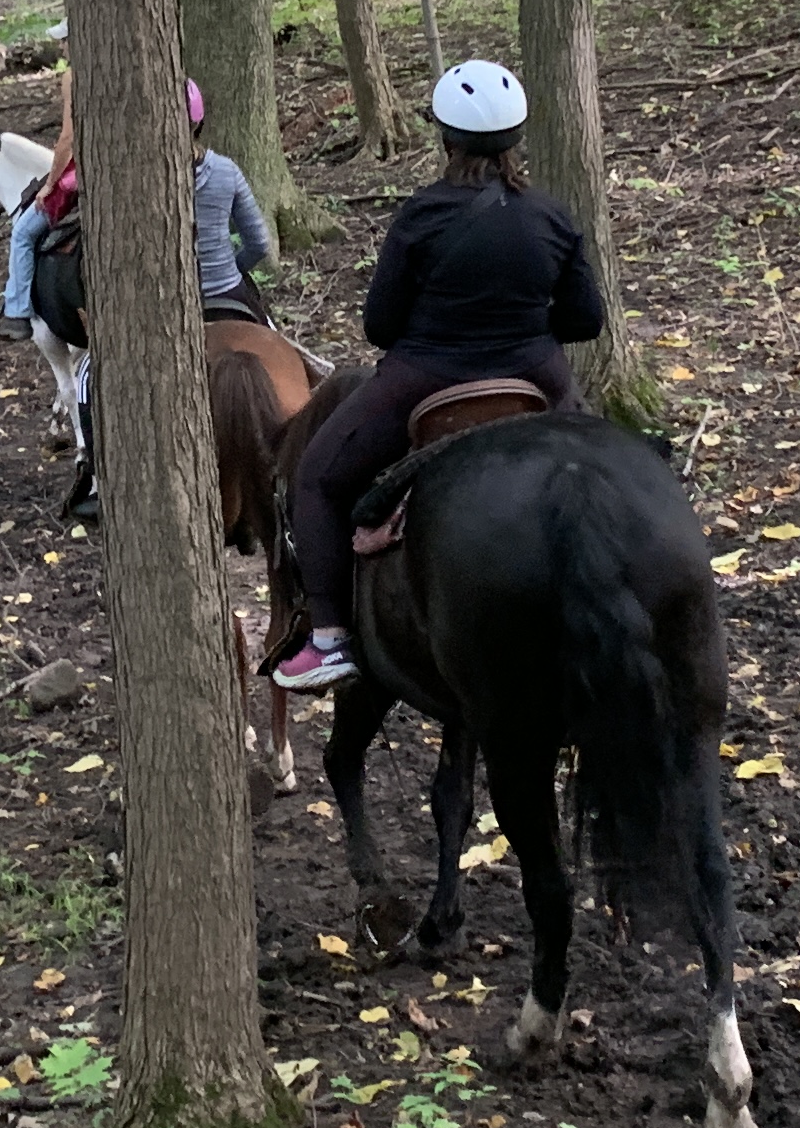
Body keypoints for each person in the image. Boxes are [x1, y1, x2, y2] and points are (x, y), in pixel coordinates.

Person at [272, 60, 600, 690]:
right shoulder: (553, 218)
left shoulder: (422, 215)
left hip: (426, 376)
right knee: (614, 465)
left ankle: (331, 640)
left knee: (315, 477)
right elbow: (586, 320)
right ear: (516, 139)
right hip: (538, 376)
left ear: (445, 139)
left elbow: (380, 326)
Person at [0, 52, 75, 331]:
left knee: (22, 233)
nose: (62, 49)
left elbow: (67, 138)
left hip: (80, 173)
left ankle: (17, 311)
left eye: (64, 41)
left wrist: (50, 185)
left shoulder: (73, 77)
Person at [188, 81, 277, 322]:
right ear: (198, 123)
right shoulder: (226, 171)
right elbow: (259, 243)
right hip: (227, 291)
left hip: (170, 301)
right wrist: (229, 269)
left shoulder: (147, 178)